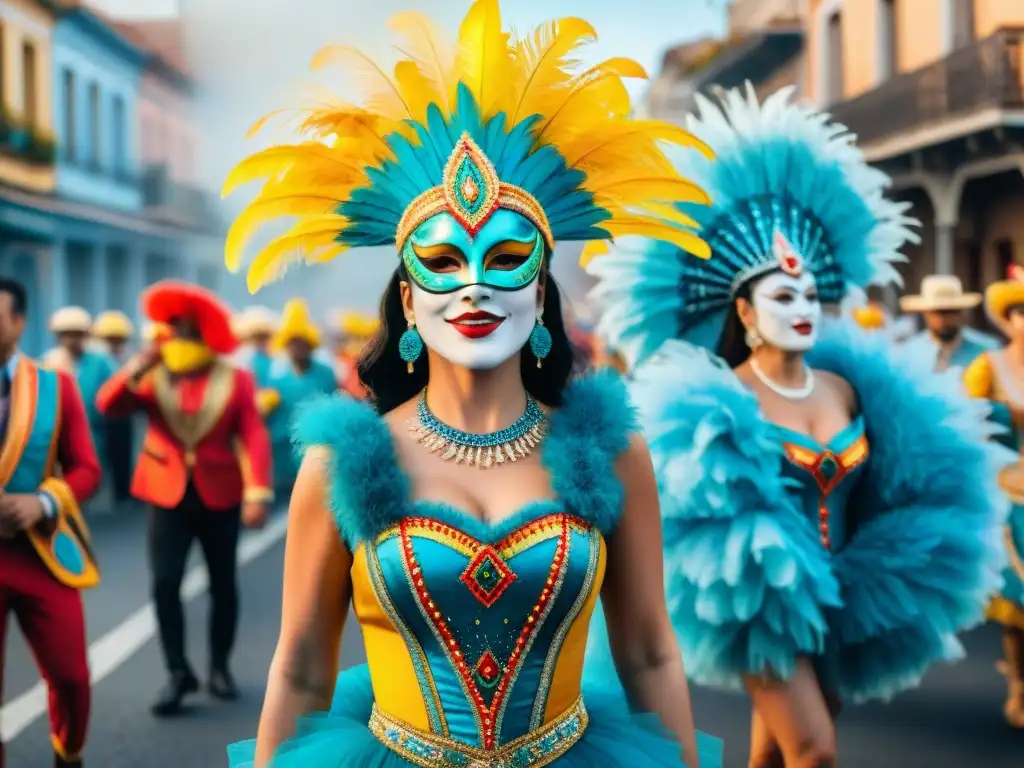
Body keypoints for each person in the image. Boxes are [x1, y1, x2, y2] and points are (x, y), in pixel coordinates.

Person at [220, 1, 724, 765]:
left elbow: (651, 652)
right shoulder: (346, 462)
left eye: (507, 258)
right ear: (410, 303)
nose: (476, 287)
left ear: (542, 294)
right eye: (445, 263)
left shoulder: (610, 451)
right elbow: (300, 664)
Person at [586, 85, 1006, 768]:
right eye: (783, 295)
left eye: (810, 293)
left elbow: (900, 480)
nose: (803, 306)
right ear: (744, 313)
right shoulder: (722, 402)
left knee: (779, 752)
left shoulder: (849, 389)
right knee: (814, 749)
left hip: (845, 592)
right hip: (761, 602)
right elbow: (686, 504)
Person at [95, 280, 273, 717]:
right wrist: (142, 362)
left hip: (220, 494)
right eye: (174, 331)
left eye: (189, 332)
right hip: (166, 494)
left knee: (223, 586)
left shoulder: (236, 378)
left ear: (206, 335)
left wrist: (257, 492)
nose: (180, 339)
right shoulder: (154, 375)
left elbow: (252, 433)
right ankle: (177, 672)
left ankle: (219, 669)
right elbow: (108, 405)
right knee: (164, 583)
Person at [0, 278, 102, 768]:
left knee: (71, 676)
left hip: (40, 552)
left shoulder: (54, 387)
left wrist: (41, 503)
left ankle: (68, 754)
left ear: (19, 322)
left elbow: (86, 468)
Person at [963, 264, 1024, 728]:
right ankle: (1018, 682)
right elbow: (965, 426)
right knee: (1015, 606)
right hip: (1010, 496)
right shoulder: (988, 366)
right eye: (1020, 311)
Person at [262, 299, 337, 493]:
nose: (297, 347)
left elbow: (334, 410)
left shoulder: (326, 374)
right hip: (280, 453)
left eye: (301, 342)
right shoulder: (273, 375)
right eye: (292, 343)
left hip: (314, 453)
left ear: (311, 344)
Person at [43, 307, 117, 467]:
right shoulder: (49, 361)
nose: (72, 339)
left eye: (77, 334)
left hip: (94, 433)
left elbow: (114, 390)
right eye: (66, 334)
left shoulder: (99, 362)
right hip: (57, 434)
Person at [900, 274, 998, 371]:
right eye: (939, 312)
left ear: (961, 312)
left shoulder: (986, 351)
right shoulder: (908, 355)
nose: (945, 319)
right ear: (926, 313)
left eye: (952, 311)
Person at [91, 310, 137, 508]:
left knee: (122, 456)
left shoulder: (126, 358)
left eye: (118, 339)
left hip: (121, 417)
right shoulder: (97, 359)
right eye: (110, 339)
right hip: (101, 417)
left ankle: (122, 492)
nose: (115, 343)